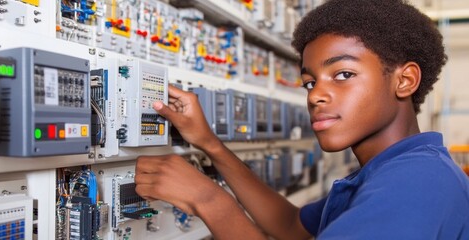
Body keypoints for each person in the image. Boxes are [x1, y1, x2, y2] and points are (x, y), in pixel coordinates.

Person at [134, 0, 469, 239]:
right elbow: (290, 225)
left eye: (343, 73)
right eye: (310, 82)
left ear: (405, 80)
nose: (315, 95)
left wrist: (207, 199)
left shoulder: (415, 183)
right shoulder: (390, 171)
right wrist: (209, 144)